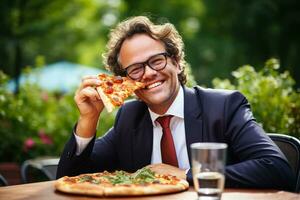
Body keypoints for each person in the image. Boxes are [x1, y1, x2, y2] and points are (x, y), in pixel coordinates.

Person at [57, 16, 295, 191]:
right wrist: (88, 119)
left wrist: (186, 174)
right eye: (136, 69)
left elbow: (276, 169)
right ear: (125, 81)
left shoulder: (223, 107)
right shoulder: (129, 117)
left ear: (177, 62)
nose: (149, 73)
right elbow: (71, 180)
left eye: (157, 61)